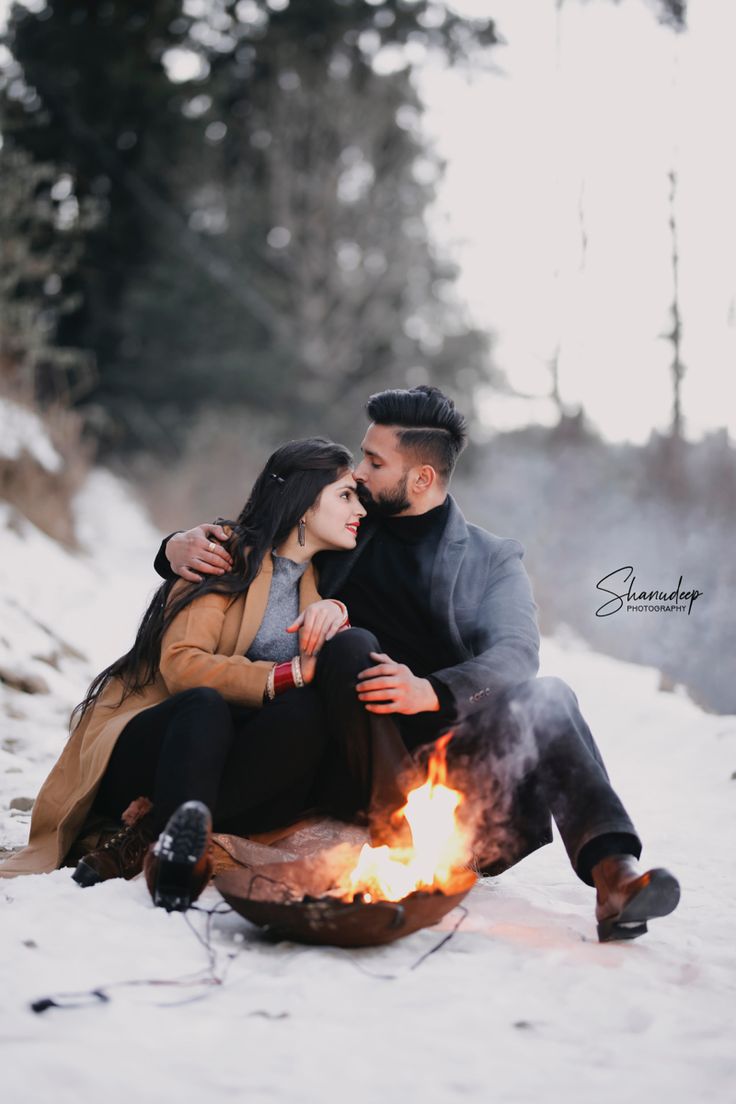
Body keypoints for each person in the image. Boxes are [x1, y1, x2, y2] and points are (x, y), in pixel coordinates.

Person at [157, 386, 680, 942]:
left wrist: (430, 691)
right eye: (362, 456)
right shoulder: (345, 529)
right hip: (346, 759)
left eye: (375, 462)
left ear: (422, 479)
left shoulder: (490, 560)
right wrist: (174, 547)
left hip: (451, 776)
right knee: (349, 642)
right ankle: (397, 833)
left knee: (549, 696)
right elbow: (267, 534)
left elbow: (516, 655)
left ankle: (614, 875)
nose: (357, 474)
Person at [0, 437, 415, 911]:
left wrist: (337, 616)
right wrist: (288, 673)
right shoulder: (222, 553)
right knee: (206, 705)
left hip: (228, 774)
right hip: (160, 741)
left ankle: (156, 833)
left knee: (305, 713)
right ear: (303, 504)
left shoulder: (322, 587)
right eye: (345, 495)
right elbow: (183, 666)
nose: (358, 507)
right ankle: (171, 843)